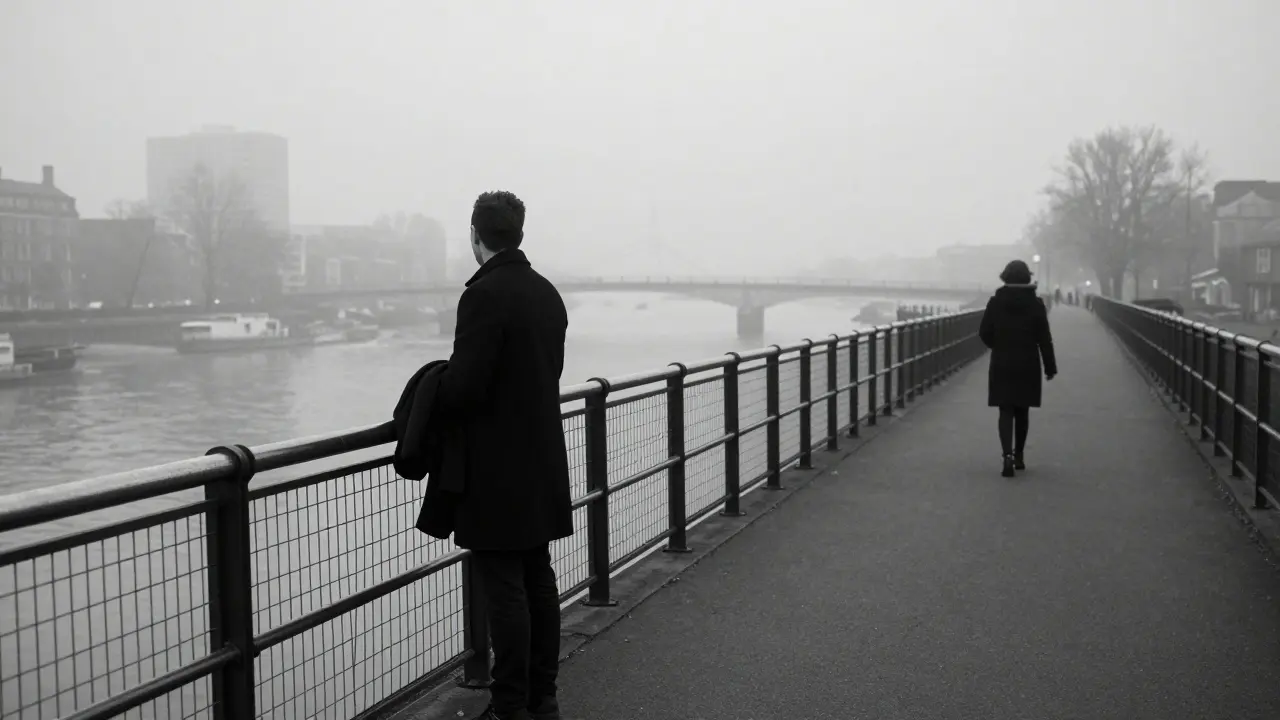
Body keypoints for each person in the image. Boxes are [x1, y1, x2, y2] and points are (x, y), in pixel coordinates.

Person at [434, 191, 573, 720]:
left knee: (504, 588)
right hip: (540, 456)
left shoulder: (483, 296)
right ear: (518, 233)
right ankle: (543, 697)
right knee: (537, 577)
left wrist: (434, 387)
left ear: (475, 236)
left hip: (495, 466)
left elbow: (466, 388)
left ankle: (510, 705)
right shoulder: (547, 294)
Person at [978, 259, 1058, 478]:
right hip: (1028, 361)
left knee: (1005, 409)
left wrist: (998, 344)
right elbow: (1044, 338)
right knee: (1022, 409)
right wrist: (1050, 366)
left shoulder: (995, 302)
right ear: (1027, 278)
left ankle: (1007, 457)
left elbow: (984, 332)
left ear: (1005, 277)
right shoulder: (1036, 304)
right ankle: (1020, 454)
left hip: (1002, 361)